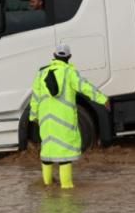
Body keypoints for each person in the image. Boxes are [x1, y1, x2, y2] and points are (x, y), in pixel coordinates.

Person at [29, 43, 109, 189]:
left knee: (47, 155)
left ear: (53, 56)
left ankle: (48, 188)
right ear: (69, 57)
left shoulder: (41, 74)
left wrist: (33, 117)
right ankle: (67, 191)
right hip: (64, 122)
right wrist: (103, 99)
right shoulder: (70, 73)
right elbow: (85, 87)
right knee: (64, 157)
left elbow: (35, 98)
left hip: (46, 122)